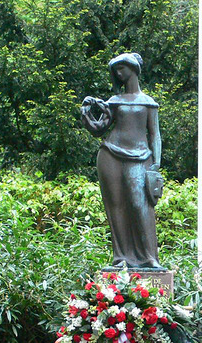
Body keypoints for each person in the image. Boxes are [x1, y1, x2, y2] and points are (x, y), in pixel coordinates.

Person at [81, 53, 164, 270]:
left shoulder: (148, 103)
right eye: (115, 70)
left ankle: (149, 257)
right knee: (115, 206)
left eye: (122, 68)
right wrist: (87, 115)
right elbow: (99, 129)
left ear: (133, 68)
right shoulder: (113, 101)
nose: (118, 74)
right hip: (110, 154)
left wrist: (156, 163)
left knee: (140, 205)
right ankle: (121, 257)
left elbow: (155, 134)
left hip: (141, 156)